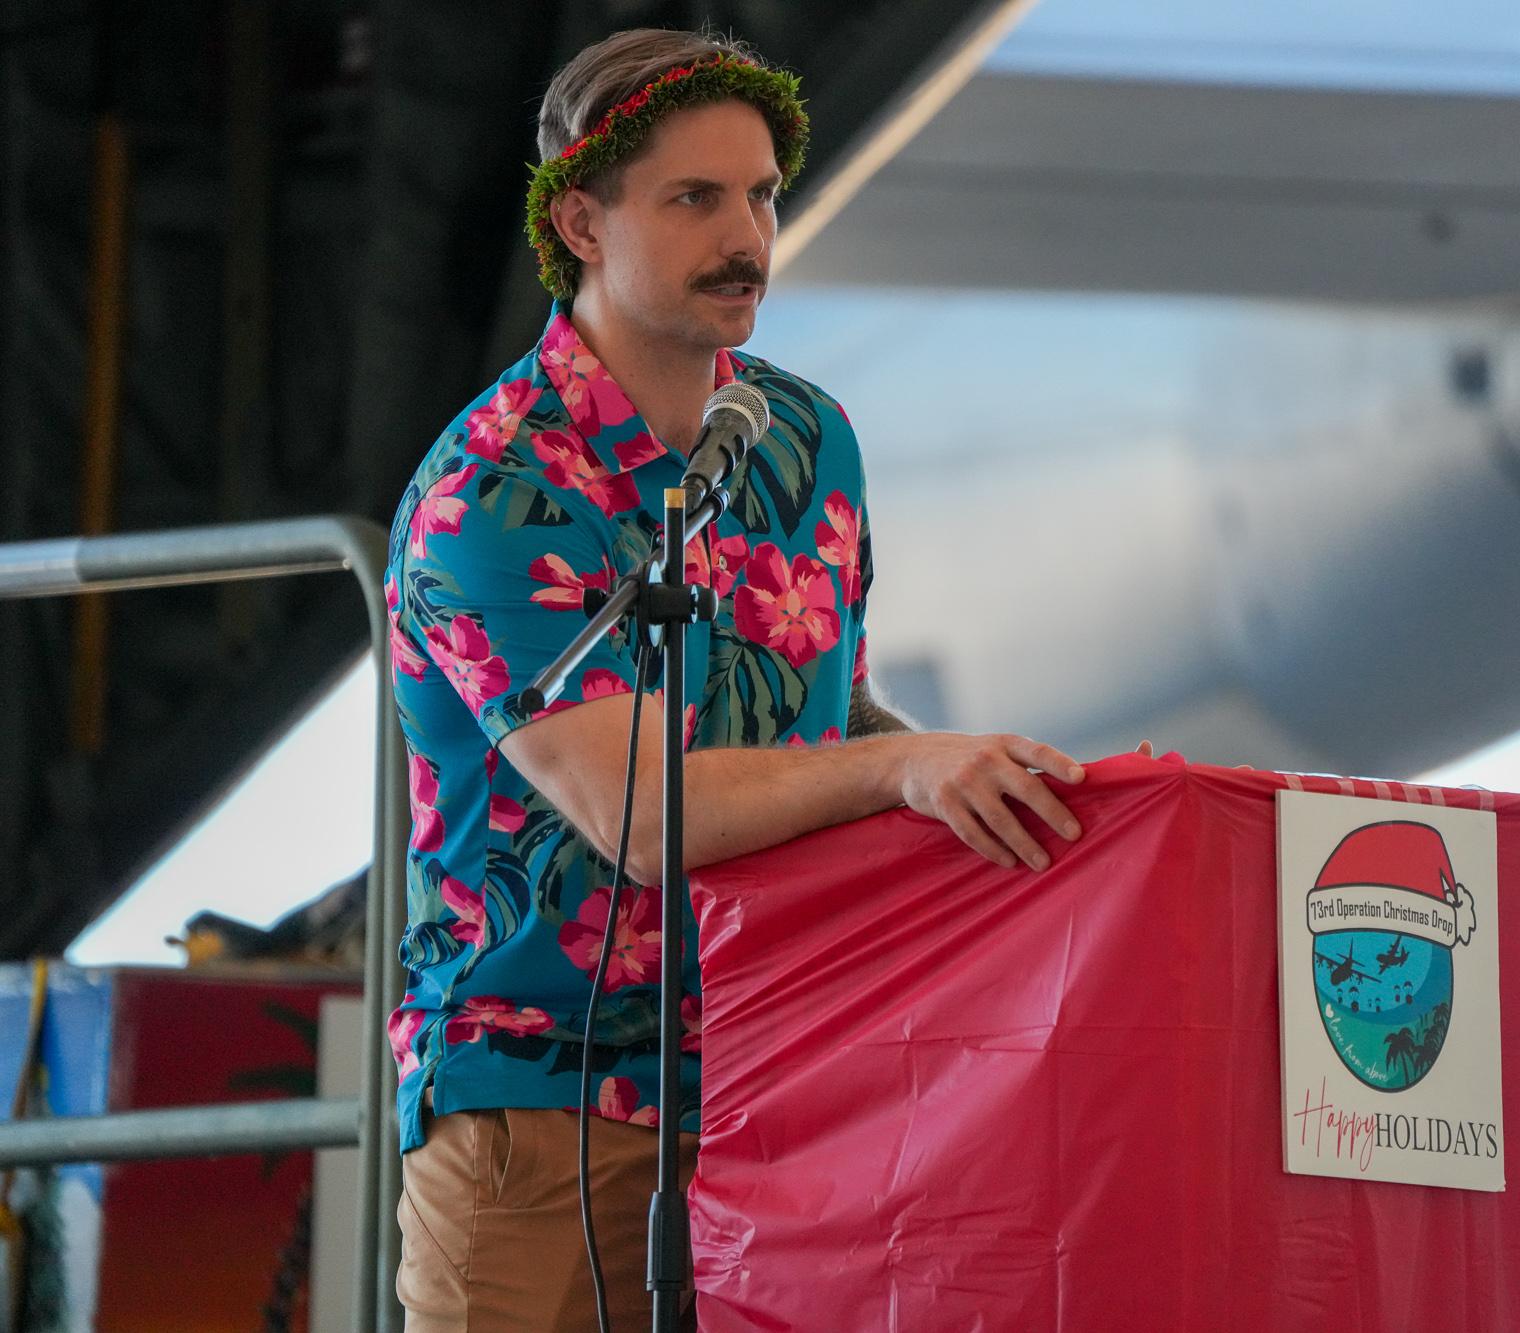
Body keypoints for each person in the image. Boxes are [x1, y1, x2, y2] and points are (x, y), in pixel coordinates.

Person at [383, 28, 1090, 1329]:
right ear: (583, 222)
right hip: (538, 1115)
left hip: (793, 1090)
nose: (745, 236)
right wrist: (896, 765)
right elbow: (641, 815)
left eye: (761, 194)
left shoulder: (806, 439)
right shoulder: (494, 489)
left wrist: (966, 781)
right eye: (694, 198)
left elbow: (830, 719)